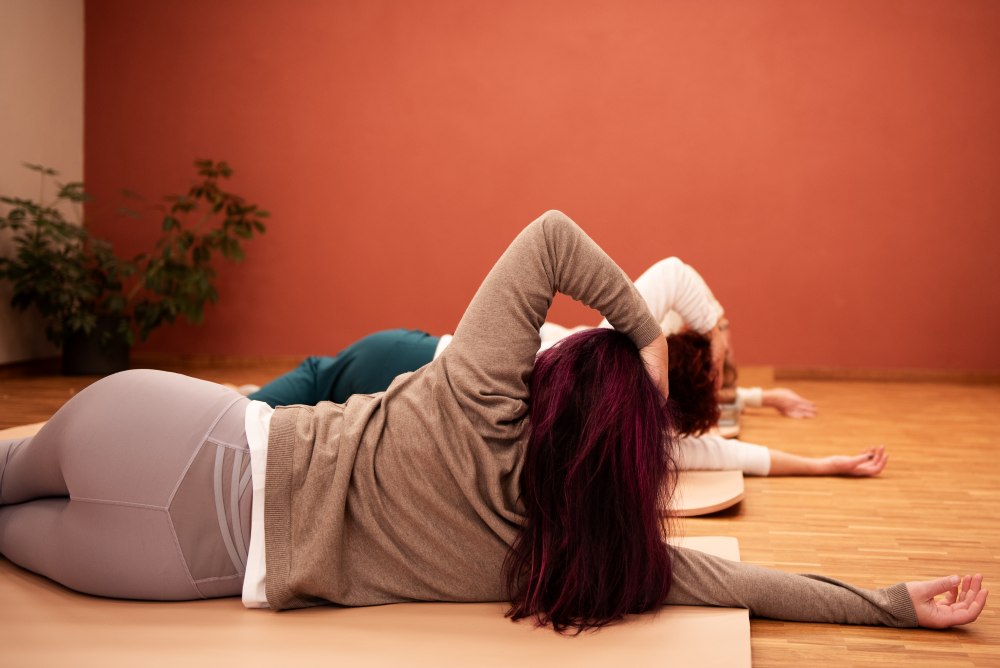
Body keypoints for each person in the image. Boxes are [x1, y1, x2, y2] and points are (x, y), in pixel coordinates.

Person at [0, 211, 985, 633]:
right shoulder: (563, 555)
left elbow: (551, 236)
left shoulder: (475, 392)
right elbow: (743, 584)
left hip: (173, 426)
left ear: (550, 382)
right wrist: (889, 604)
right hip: (184, 561)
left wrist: (643, 336)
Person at [244, 267, 878, 478]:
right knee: (279, 413)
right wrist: (821, 463)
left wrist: (717, 331)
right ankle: (238, 400)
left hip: (412, 360)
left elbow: (673, 272)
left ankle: (238, 400)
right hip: (425, 382)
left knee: (294, 401)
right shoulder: (639, 427)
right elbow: (721, 453)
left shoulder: (609, 345)